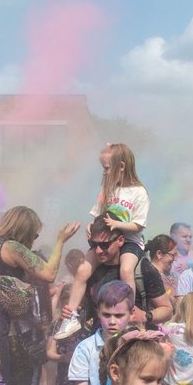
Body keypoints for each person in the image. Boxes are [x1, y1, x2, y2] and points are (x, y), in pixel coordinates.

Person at [0, 206, 80, 385]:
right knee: (24, 383)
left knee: (4, 383)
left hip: (1, 324)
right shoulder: (12, 247)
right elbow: (49, 273)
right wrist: (61, 241)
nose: (35, 240)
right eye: (35, 234)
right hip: (13, 330)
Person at [56, 143, 149, 339]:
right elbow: (98, 216)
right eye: (103, 168)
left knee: (125, 270)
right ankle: (71, 317)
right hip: (107, 241)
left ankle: (128, 313)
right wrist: (92, 227)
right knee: (82, 270)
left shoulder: (138, 192)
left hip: (130, 241)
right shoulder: (107, 189)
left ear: (121, 166)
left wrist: (117, 224)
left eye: (107, 168)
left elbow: (139, 225)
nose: (105, 172)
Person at [68, 281, 135, 385]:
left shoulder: (138, 346)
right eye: (106, 315)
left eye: (119, 315)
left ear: (131, 314)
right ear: (98, 312)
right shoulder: (85, 349)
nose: (112, 321)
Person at [146, 233, 178, 299]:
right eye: (173, 255)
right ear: (159, 254)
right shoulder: (151, 277)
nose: (175, 259)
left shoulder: (170, 275)